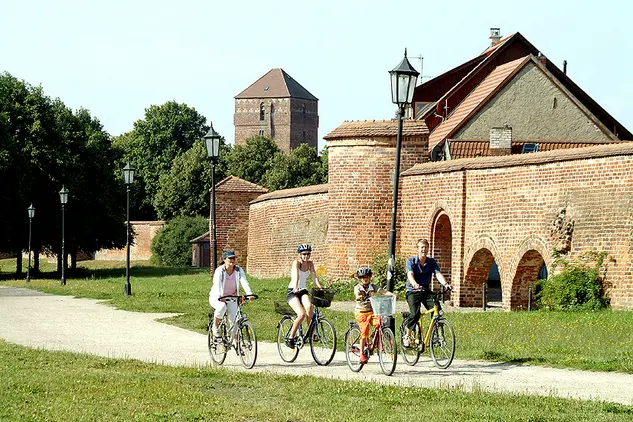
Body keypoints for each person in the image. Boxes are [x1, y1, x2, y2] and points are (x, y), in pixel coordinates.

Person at [403, 239, 451, 346]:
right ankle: (407, 335)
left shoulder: (431, 262)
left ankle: (437, 336)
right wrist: (415, 284)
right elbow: (410, 274)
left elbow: (437, 274)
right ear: (417, 249)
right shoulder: (411, 261)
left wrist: (446, 284)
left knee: (437, 310)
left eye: (426, 247)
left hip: (425, 290)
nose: (424, 249)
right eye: (422, 247)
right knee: (415, 314)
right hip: (413, 291)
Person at [353, 266, 395, 364]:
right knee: (364, 331)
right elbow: (357, 294)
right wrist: (359, 297)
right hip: (361, 312)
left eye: (367, 276)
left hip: (372, 311)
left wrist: (392, 295)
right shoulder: (358, 287)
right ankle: (362, 354)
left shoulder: (373, 287)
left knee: (380, 323)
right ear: (360, 278)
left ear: (370, 277)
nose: (365, 279)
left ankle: (376, 339)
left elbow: (383, 292)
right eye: (363, 277)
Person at [285, 244, 323, 347]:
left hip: (303, 290)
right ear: (300, 255)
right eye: (304, 254)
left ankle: (311, 333)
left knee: (309, 308)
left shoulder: (310, 264)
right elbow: (295, 275)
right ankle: (291, 337)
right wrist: (296, 286)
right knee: (301, 314)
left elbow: (314, 276)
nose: (306, 256)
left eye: (308, 254)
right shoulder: (296, 263)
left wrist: (320, 287)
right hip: (292, 291)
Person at [209, 250, 253, 339]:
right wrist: (220, 296)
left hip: (232, 297)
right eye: (230, 258)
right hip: (217, 297)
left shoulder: (238, 270)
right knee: (222, 307)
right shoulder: (220, 270)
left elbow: (244, 281)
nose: (232, 260)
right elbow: (217, 284)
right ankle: (215, 326)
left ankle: (236, 343)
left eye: (233, 258)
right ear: (225, 260)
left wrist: (249, 294)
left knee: (235, 320)